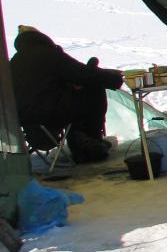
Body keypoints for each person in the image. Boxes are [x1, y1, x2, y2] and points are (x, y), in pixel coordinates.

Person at [10, 25, 123, 163]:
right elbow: (83, 74)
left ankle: (84, 140)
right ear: (42, 38)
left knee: (79, 95)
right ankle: (87, 142)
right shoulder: (48, 54)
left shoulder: (14, 62)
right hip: (50, 113)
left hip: (23, 119)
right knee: (94, 87)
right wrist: (114, 80)